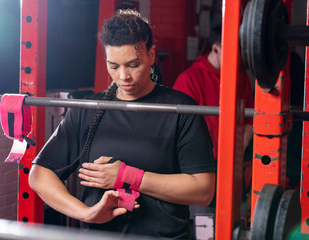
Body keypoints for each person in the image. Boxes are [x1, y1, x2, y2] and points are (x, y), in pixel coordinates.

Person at [29, 9, 216, 239]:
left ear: (151, 55)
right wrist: (86, 213)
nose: (123, 76)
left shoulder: (181, 110)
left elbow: (203, 190)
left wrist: (128, 176)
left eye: (133, 64)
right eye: (114, 66)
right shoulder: (87, 111)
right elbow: (39, 174)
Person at [172, 25, 254, 220]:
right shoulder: (189, 80)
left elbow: (250, 118)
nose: (237, 59)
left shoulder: (241, 80)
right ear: (216, 48)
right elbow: (180, 131)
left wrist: (239, 149)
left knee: (236, 222)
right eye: (232, 51)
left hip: (234, 166)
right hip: (202, 169)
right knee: (204, 225)